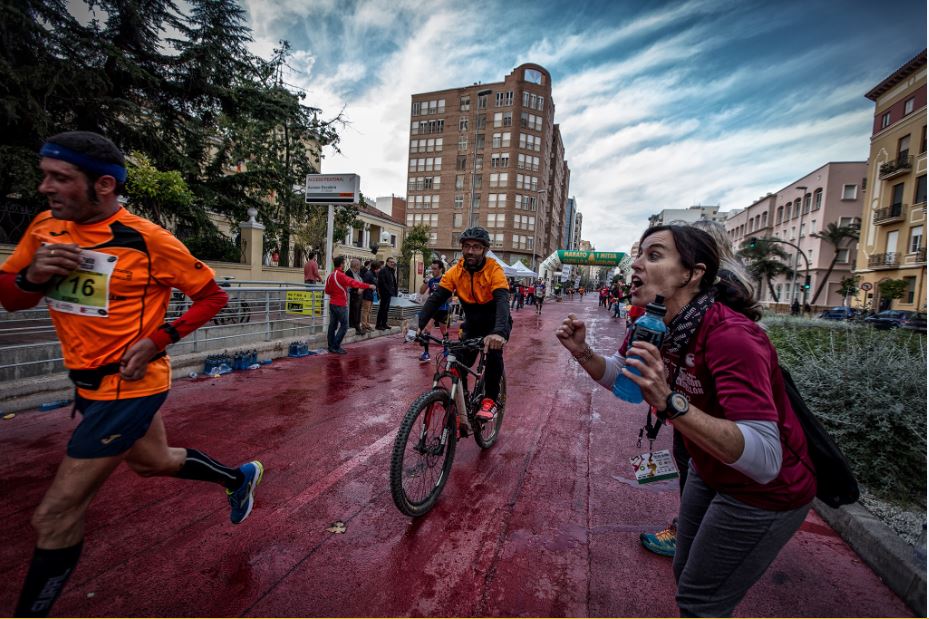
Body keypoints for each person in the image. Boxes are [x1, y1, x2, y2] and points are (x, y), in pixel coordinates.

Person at [0, 131, 265, 618]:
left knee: (55, 514)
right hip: (86, 384)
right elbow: (11, 298)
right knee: (154, 462)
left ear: (102, 185)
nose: (45, 188)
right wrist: (31, 276)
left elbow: (212, 296)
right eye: (45, 176)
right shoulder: (45, 227)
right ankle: (238, 478)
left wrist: (157, 341)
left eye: (60, 178)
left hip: (132, 385)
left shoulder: (147, 240)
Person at [556, 224, 814, 617]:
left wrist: (669, 402)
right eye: (639, 254)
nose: (637, 264)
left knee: (699, 600)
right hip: (707, 470)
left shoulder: (732, 336)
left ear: (692, 274)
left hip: (765, 493)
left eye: (654, 255)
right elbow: (622, 376)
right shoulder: (657, 325)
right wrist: (582, 351)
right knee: (683, 569)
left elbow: (765, 459)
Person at [639, 218, 758, 557]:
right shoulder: (708, 289)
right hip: (690, 394)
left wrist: (670, 401)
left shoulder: (718, 299)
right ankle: (691, 530)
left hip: (707, 401)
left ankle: (691, 533)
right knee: (691, 461)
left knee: (700, 465)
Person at [418, 227, 511, 421]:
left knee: (494, 354)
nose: (470, 251)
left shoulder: (494, 270)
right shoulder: (455, 271)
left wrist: (500, 332)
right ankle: (464, 401)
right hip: (472, 323)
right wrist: (417, 325)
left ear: (484, 250)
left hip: (495, 323)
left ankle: (490, 400)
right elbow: (436, 299)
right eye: (467, 246)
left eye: (476, 247)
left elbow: (502, 301)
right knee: (457, 360)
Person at [324, 255, 375, 354]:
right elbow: (354, 283)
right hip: (341, 304)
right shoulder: (341, 275)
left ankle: (331, 346)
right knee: (344, 326)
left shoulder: (330, 275)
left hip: (332, 303)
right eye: (344, 263)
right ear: (342, 264)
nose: (344, 264)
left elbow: (327, 290)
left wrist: (336, 292)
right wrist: (369, 286)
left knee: (332, 325)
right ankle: (336, 346)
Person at [417, 260, 450, 363]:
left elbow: (450, 296)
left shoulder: (445, 279)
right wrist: (426, 282)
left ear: (440, 269)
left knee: (443, 331)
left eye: (435, 269)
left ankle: (446, 350)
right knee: (426, 329)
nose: (433, 271)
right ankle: (426, 353)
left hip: (442, 309)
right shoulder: (431, 280)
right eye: (432, 268)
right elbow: (422, 291)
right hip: (432, 309)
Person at [375, 256, 398, 330]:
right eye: (390, 262)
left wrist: (394, 291)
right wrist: (388, 291)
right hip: (384, 293)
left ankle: (384, 323)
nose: (392, 263)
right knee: (382, 309)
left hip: (389, 293)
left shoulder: (391, 270)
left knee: (386, 309)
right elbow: (382, 283)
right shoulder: (383, 270)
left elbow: (393, 282)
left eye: (393, 262)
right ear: (387, 262)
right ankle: (378, 325)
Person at [346, 258, 364, 335]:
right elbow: (350, 284)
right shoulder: (349, 272)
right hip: (354, 295)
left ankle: (357, 326)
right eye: (359, 264)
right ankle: (355, 327)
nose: (360, 266)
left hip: (359, 295)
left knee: (358, 311)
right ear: (355, 265)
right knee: (354, 312)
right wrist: (357, 290)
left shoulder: (357, 273)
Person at [360, 260, 380, 333]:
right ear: (376, 268)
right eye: (379, 268)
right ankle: (364, 325)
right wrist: (370, 287)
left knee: (369, 311)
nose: (380, 269)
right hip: (367, 295)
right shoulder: (369, 274)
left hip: (371, 295)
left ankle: (367, 324)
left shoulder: (374, 274)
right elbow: (364, 284)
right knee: (365, 311)